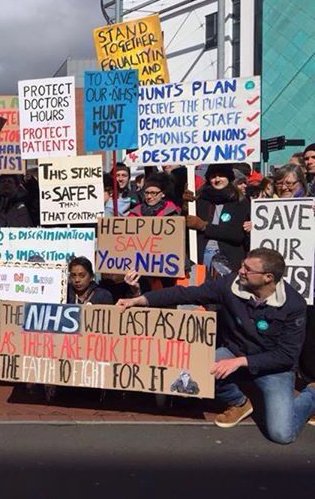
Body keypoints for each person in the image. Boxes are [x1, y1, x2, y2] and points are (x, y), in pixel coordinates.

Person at [117, 248, 315, 444]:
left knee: (282, 434)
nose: (241, 271)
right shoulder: (230, 284)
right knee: (194, 369)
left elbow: (286, 356)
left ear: (268, 277)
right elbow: (186, 294)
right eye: (242, 265)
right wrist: (140, 300)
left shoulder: (294, 304)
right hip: (234, 352)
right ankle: (239, 403)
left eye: (248, 269)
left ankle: (311, 394)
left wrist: (241, 362)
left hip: (274, 370)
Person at [185, 164, 249, 272]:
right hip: (201, 256)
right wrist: (186, 206)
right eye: (213, 176)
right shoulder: (201, 199)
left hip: (229, 258)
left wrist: (204, 227)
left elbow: (237, 234)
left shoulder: (240, 202)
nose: (217, 179)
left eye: (221, 176)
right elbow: (189, 225)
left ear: (229, 178)